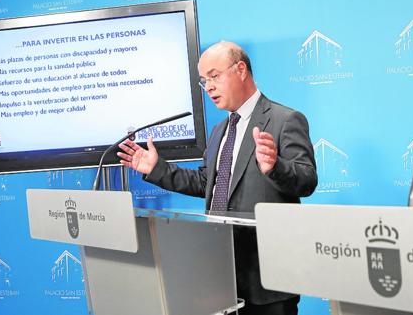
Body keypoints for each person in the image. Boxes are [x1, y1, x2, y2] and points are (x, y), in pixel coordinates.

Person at [117, 41, 318, 315]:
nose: (209, 86)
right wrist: (156, 168)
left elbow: (306, 180)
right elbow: (206, 183)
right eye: (203, 81)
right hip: (219, 278)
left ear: (241, 69)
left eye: (214, 76)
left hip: (267, 282)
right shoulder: (219, 130)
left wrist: (275, 166)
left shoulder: (285, 120)